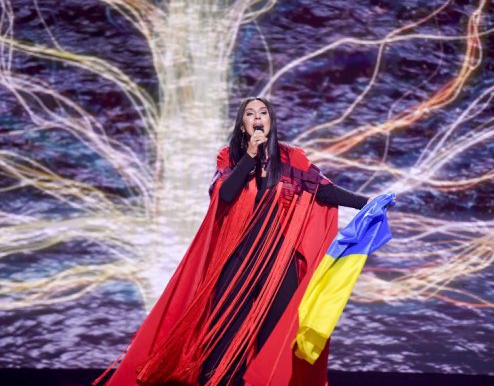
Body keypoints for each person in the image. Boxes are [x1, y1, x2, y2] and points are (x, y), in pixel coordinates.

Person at [94, 97, 386, 386]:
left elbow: (325, 191)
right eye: (250, 113)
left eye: (263, 112)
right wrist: (249, 156)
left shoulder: (292, 158)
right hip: (238, 258)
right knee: (224, 335)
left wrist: (367, 202)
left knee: (277, 337)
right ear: (243, 125)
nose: (257, 117)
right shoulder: (229, 157)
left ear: (271, 121)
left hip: (278, 261)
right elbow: (225, 195)